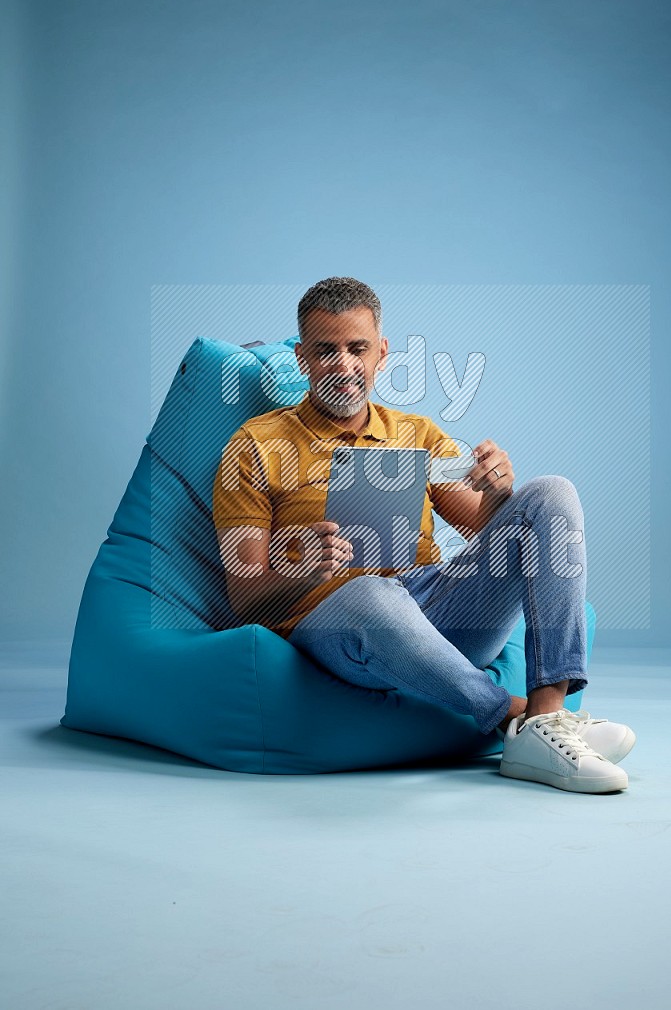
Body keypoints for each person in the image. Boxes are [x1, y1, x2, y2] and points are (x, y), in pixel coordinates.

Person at [212, 277, 636, 794]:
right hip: (342, 629)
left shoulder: (415, 432)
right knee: (372, 593)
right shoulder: (255, 444)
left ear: (382, 353)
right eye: (325, 351)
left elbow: (491, 531)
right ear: (303, 358)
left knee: (550, 492)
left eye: (357, 348)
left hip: (435, 613)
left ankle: (547, 719)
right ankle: (511, 718)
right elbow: (244, 595)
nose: (343, 366)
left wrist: (498, 491)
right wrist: (300, 568)